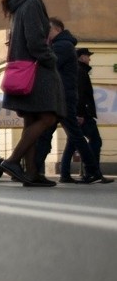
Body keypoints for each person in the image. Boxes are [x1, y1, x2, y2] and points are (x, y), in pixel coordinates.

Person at [0, 0, 65, 187]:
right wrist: (51, 58)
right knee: (47, 118)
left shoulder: (18, 5)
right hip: (36, 70)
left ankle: (31, 173)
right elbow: (36, 40)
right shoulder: (33, 3)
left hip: (23, 67)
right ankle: (13, 160)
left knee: (31, 120)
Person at [35, 22, 112, 184]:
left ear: (57, 29)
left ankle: (91, 171)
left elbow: (51, 65)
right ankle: (36, 170)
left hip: (62, 98)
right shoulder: (63, 45)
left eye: (47, 30)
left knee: (72, 136)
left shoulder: (62, 45)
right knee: (54, 135)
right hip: (62, 97)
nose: (45, 33)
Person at [62, 48, 110, 183]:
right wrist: (81, 114)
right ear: (81, 57)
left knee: (72, 143)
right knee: (95, 141)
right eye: (88, 56)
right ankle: (93, 172)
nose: (89, 59)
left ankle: (65, 174)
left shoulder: (77, 70)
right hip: (84, 114)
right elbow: (80, 94)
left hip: (78, 112)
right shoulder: (81, 72)